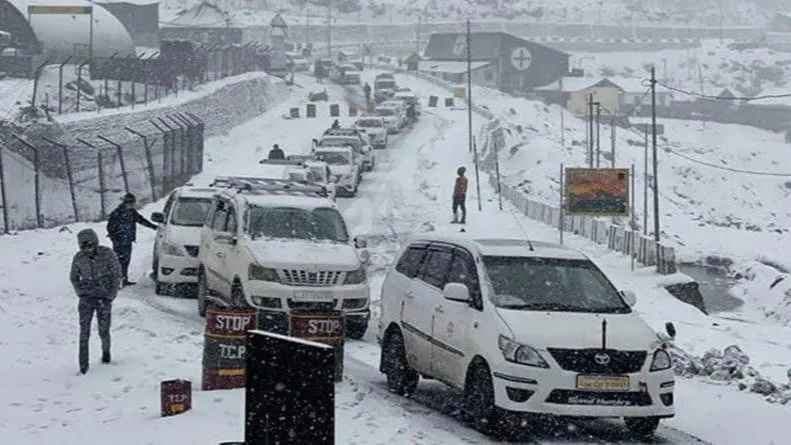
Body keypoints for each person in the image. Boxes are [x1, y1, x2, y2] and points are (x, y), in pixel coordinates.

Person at [70, 228, 122, 374]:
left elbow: (116, 275)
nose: (87, 249)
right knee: (84, 332)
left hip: (103, 298)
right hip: (86, 299)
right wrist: (80, 292)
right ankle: (83, 365)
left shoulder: (107, 254)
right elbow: (73, 277)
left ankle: (106, 355)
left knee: (103, 330)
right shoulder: (79, 258)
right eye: (83, 246)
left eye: (90, 245)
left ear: (95, 242)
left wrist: (111, 295)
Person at [106, 193, 158, 286]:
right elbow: (110, 227)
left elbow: (141, 220)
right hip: (119, 241)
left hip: (127, 240)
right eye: (131, 203)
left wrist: (154, 227)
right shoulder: (117, 213)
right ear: (127, 202)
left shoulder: (132, 212)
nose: (132, 205)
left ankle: (124, 279)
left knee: (126, 261)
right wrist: (114, 238)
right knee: (118, 262)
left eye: (133, 203)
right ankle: (116, 282)